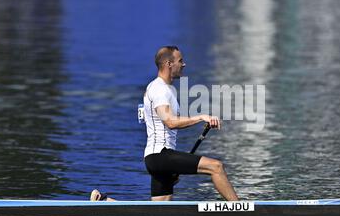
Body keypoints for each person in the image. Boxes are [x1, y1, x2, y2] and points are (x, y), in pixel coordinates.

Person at [90, 46, 239, 202]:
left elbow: (154, 119)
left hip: (158, 158)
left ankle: (104, 201)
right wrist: (201, 117)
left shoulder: (163, 89)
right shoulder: (159, 89)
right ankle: (241, 210)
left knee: (159, 214)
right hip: (160, 155)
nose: (184, 64)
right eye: (180, 61)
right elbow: (170, 122)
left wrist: (173, 166)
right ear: (169, 64)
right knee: (216, 167)